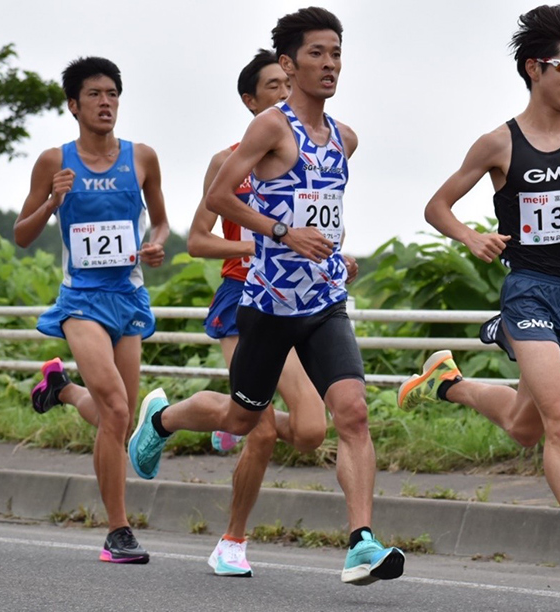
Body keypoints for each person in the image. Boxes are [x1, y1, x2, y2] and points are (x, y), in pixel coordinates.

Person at [129, 7, 405, 586]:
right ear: (288, 61)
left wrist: (332, 249)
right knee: (241, 415)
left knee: (351, 413)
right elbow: (223, 198)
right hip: (268, 306)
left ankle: (361, 544)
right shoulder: (270, 128)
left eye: (336, 54)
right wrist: (281, 234)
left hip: (324, 301)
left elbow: (322, 209)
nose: (329, 64)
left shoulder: (345, 138)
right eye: (316, 54)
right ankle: (163, 419)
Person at [398, 4, 560, 596]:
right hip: (529, 291)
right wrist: (471, 236)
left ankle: (445, 381)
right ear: (533, 68)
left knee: (524, 427)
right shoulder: (499, 144)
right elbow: (436, 206)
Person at [14, 56, 169, 564]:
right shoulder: (53, 162)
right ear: (73, 105)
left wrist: (155, 246)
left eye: (113, 94)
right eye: (96, 95)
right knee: (120, 408)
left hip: (127, 297)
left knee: (115, 419)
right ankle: (118, 532)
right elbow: (22, 234)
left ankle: (62, 390)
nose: (106, 103)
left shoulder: (141, 157)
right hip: (80, 300)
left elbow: (162, 224)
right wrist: (51, 203)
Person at [187, 49, 333, 577]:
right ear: (250, 101)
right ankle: (232, 541)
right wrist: (267, 247)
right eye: (272, 86)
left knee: (314, 431)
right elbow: (198, 241)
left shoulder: (315, 155)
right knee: (265, 431)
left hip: (297, 298)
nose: (282, 92)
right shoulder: (228, 161)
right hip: (241, 295)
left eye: (285, 82)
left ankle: (190, 417)